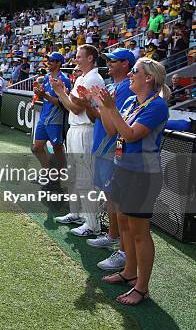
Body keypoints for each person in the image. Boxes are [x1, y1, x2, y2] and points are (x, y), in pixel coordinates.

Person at [92, 58, 170, 306]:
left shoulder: (157, 106)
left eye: (134, 72)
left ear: (149, 78)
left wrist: (110, 107)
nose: (130, 76)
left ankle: (142, 287)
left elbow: (131, 134)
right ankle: (128, 272)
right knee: (125, 224)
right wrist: (104, 106)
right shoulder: (128, 101)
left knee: (139, 232)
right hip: (122, 169)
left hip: (142, 176)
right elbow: (112, 131)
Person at [75, 48, 135, 272]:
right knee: (109, 195)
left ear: (125, 64)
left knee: (116, 198)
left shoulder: (127, 87)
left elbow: (114, 122)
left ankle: (121, 245)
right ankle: (111, 235)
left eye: (114, 61)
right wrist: (90, 104)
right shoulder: (110, 86)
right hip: (101, 143)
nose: (108, 63)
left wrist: (98, 105)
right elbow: (98, 116)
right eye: (108, 60)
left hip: (112, 146)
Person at [51, 44, 105, 237]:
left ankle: (92, 224)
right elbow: (71, 106)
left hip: (85, 130)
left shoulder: (93, 78)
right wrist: (63, 95)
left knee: (85, 179)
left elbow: (75, 108)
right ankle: (76, 213)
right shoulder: (83, 77)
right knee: (73, 175)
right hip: (74, 129)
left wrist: (60, 92)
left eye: (79, 56)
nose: (76, 59)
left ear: (90, 58)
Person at [31, 52, 71, 190]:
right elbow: (45, 96)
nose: (49, 63)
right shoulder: (47, 77)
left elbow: (62, 103)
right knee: (37, 147)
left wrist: (44, 96)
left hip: (56, 119)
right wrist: (39, 94)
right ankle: (47, 173)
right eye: (48, 61)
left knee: (58, 149)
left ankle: (56, 180)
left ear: (59, 63)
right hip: (44, 117)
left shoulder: (64, 79)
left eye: (52, 61)